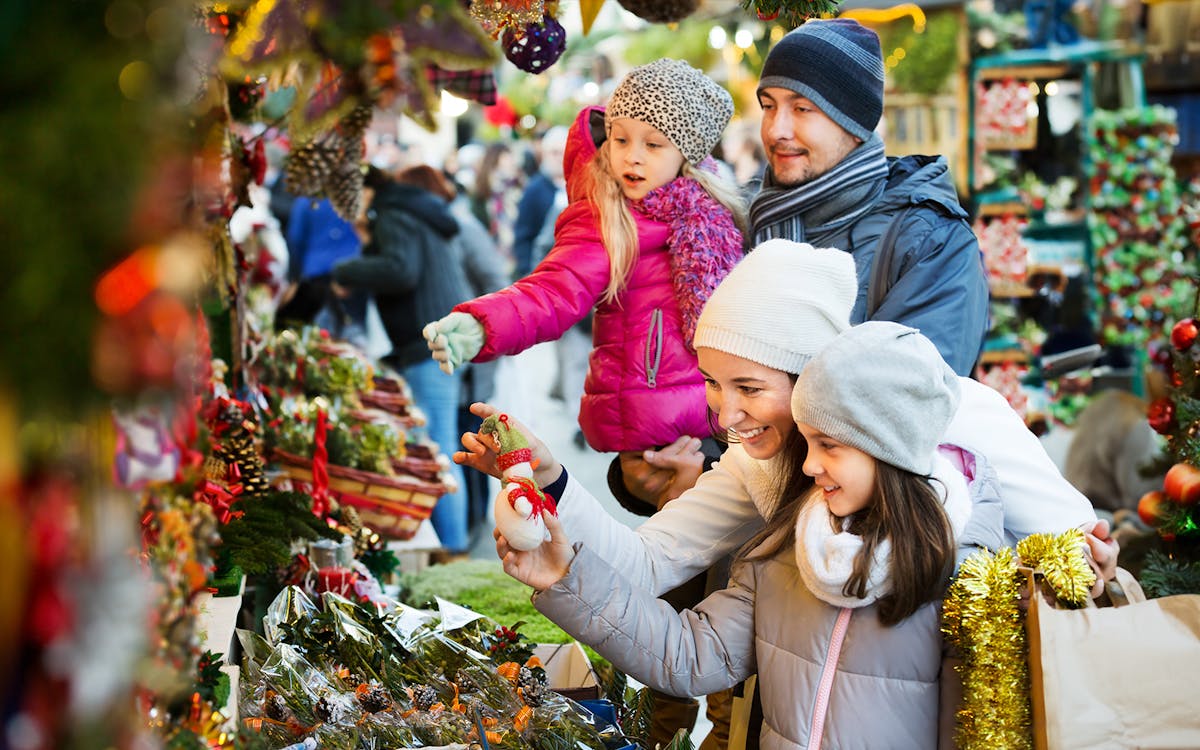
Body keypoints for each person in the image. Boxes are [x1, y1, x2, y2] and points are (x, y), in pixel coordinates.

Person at [454, 240, 1118, 601]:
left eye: (749, 386)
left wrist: (1089, 555)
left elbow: (1078, 548)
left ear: (814, 374)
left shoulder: (958, 412)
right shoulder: (758, 463)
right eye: (713, 384)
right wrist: (552, 477)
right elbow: (649, 562)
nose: (725, 414)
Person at [499, 322, 1003, 749]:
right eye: (807, 442)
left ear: (890, 446)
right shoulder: (788, 542)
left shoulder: (968, 574)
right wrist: (564, 576)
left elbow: (980, 730)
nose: (808, 466)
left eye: (828, 446)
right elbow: (691, 656)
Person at [422, 58, 746, 457]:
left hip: (716, 413)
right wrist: (482, 323)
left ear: (687, 155)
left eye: (653, 144)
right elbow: (553, 289)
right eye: (621, 139)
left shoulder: (713, 210)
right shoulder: (607, 216)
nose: (632, 157)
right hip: (652, 423)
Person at [748, 18, 988, 377]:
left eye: (802, 109)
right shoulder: (741, 217)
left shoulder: (931, 242)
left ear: (854, 123)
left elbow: (905, 394)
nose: (776, 129)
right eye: (769, 106)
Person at [330, 165, 475, 556]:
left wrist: (345, 270)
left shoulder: (392, 213)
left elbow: (401, 270)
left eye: (347, 197)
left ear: (366, 190)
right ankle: (451, 545)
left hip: (429, 344)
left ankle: (452, 550)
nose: (344, 209)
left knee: (436, 451)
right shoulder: (408, 208)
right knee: (438, 447)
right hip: (436, 339)